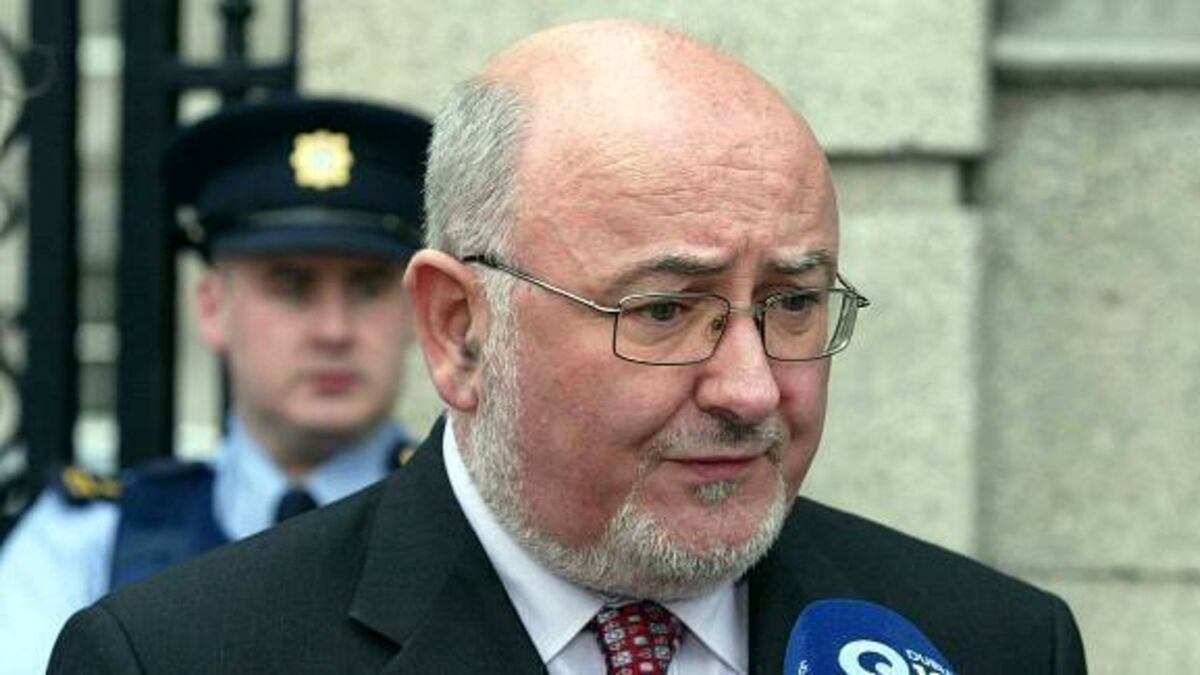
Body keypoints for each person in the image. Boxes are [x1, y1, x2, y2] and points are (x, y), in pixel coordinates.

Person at [48, 20, 1087, 674]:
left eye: (792, 303)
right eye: (665, 310)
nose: (752, 389)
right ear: (459, 329)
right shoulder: (181, 656)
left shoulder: (990, 643)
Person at [0, 97, 430, 674]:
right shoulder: (92, 542)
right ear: (211, 307)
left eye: (369, 285)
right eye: (291, 286)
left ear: (418, 308)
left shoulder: (470, 534)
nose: (334, 330)